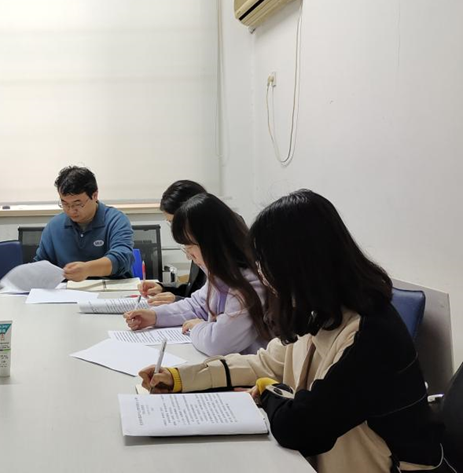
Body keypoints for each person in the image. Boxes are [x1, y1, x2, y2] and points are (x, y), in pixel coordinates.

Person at [139, 190, 449, 473]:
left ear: (300, 266)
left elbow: (301, 427)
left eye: (268, 267)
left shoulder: (371, 334)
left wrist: (267, 391)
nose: (264, 277)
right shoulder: (322, 310)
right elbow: (266, 362)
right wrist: (180, 378)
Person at [124, 193, 270, 356]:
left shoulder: (250, 283)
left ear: (211, 243)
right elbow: (197, 305)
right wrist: (155, 316)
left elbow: (218, 343)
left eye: (189, 248)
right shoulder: (222, 273)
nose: (189, 256)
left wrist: (198, 327)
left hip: (250, 368)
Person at [34, 166, 134, 281]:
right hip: (67, 289)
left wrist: (88, 269)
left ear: (95, 196)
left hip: (111, 288)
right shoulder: (54, 226)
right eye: (65, 204)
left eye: (78, 204)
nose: (71, 210)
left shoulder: (116, 220)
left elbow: (122, 259)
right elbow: (41, 264)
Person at [137, 180, 208, 306]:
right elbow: (194, 291)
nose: (173, 229)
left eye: (174, 222)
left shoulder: (220, 245)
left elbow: (214, 306)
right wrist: (163, 289)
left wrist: (177, 301)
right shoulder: (197, 239)